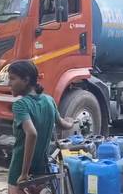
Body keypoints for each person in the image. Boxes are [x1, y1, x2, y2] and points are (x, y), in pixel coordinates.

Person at [7, 60, 75, 194]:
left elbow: (31, 134)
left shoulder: (21, 105)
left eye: (12, 79)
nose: (9, 83)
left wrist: (24, 173)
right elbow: (63, 124)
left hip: (20, 170)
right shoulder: (49, 100)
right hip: (41, 170)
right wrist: (71, 121)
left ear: (26, 80)